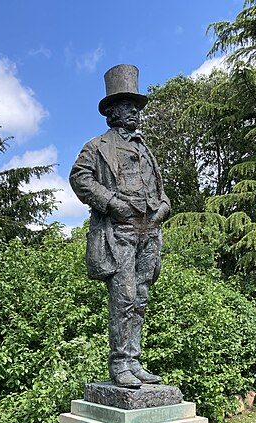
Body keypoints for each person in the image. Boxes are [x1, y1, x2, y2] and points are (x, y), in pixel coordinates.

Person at [70, 64, 170, 389]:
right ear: (113, 112)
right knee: (124, 296)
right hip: (119, 232)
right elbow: (79, 178)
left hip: (149, 231)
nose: (135, 114)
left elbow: (160, 190)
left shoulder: (145, 149)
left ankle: (134, 361)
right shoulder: (97, 146)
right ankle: (119, 365)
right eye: (128, 108)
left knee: (141, 296)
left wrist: (164, 208)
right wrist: (112, 203)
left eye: (136, 109)